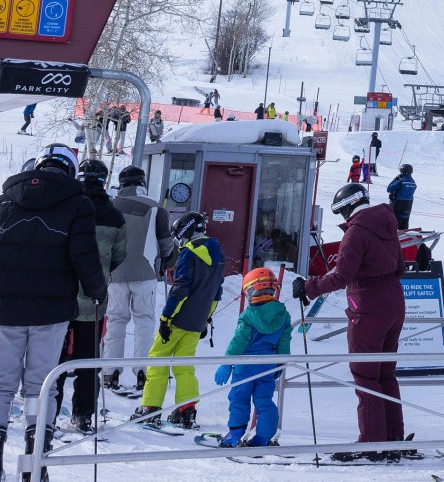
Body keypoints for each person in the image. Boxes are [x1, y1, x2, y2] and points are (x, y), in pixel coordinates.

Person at [0, 149, 109, 482]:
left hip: (4, 308)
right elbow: (85, 254)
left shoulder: (3, 201)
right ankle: (35, 464)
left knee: (0, 385)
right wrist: (95, 291)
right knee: (40, 386)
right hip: (51, 309)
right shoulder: (77, 203)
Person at [310, 180, 413, 458]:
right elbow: (401, 266)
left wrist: (309, 287)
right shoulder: (387, 224)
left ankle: (372, 441)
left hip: (368, 307)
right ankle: (392, 435)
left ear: (347, 209)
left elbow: (341, 276)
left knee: (365, 374)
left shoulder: (356, 233)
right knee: (384, 372)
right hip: (394, 302)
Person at [130, 211, 224, 431]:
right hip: (196, 322)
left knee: (158, 360)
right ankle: (187, 409)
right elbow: (217, 293)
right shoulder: (218, 255)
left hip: (178, 320)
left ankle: (150, 407)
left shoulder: (189, 254)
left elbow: (180, 290)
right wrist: (206, 318)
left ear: (185, 231)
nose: (179, 241)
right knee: (184, 366)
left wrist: (166, 318)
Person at [63, 158, 130, 431]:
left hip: (62, 294)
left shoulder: (68, 208)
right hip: (94, 297)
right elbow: (120, 256)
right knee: (88, 358)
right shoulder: (114, 216)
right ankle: (83, 413)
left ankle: (48, 412)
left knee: (55, 356)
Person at [100, 166, 169, 392]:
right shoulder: (155, 206)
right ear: (142, 182)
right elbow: (166, 243)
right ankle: (142, 372)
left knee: (116, 321)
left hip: (115, 274)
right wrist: (165, 259)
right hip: (145, 272)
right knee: (144, 321)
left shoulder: (110, 206)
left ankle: (110, 373)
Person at [216, 268, 293, 448]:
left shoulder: (248, 316)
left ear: (251, 291)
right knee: (264, 401)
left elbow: (238, 342)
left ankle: (235, 433)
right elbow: (284, 343)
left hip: (245, 366)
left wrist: (227, 364)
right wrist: (279, 364)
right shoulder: (283, 315)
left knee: (239, 398)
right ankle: (263, 437)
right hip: (267, 365)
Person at [387, 164, 418, 230]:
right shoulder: (413, 183)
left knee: (393, 225)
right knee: (404, 225)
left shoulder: (401, 182)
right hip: (408, 206)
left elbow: (389, 188)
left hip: (397, 206)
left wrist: (395, 178)